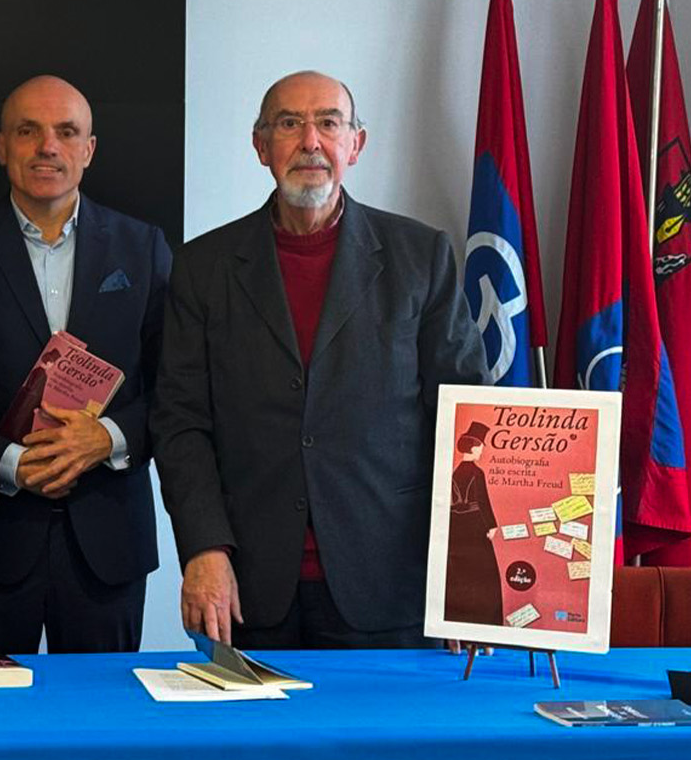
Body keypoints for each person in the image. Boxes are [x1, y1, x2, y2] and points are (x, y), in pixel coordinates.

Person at [154, 70, 488, 648]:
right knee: (254, 743)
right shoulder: (202, 267)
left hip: (391, 585)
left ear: (355, 144)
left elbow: (464, 420)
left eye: (328, 123)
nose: (311, 141)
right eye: (289, 124)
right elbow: (180, 422)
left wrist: (464, 567)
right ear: (261, 146)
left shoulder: (421, 255)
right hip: (247, 589)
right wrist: (204, 548)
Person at [0, 75, 171, 653]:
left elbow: (175, 387)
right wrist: (6, 462)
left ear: (89, 150)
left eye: (65, 132)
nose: (47, 147)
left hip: (108, 537)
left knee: (101, 723)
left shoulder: (142, 247)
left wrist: (108, 437)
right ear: (2, 146)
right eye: (28, 131)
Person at [444, 422, 504, 626]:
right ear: (473, 446)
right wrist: (492, 525)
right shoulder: (477, 473)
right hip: (476, 526)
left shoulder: (455, 472)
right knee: (482, 573)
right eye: (480, 446)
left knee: (461, 572)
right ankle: (483, 620)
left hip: (456, 526)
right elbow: (483, 500)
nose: (482, 449)